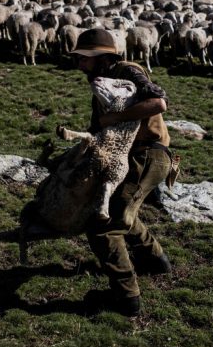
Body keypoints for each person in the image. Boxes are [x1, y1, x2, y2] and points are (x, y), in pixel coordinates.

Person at [70, 28, 173, 317]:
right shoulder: (102, 82)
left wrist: (114, 117)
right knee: (122, 210)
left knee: (104, 224)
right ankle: (156, 260)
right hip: (128, 156)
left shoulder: (128, 71)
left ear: (100, 56)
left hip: (147, 155)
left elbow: (158, 102)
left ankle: (126, 298)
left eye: (83, 58)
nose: (79, 64)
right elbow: (98, 128)